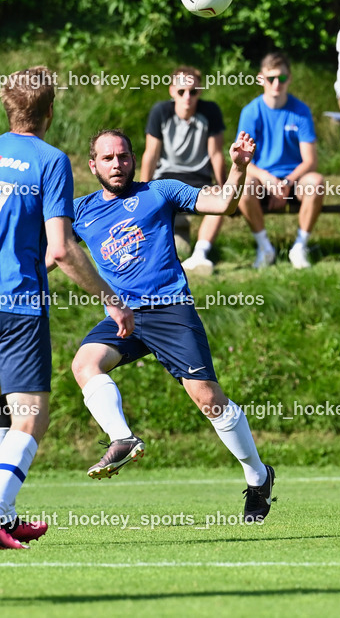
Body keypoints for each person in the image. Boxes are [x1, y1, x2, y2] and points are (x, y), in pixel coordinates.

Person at [0, 65, 134, 550]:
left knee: (1, 407)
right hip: (17, 302)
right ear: (48, 112)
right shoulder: (50, 160)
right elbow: (61, 249)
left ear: (8, 106)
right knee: (32, 415)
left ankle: (5, 511)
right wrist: (112, 299)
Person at [67, 128, 275, 522]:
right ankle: (122, 438)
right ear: (93, 165)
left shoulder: (160, 191)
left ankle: (258, 477)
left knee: (209, 401)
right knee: (84, 364)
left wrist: (238, 167)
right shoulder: (80, 210)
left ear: (134, 158)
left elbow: (225, 203)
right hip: (124, 314)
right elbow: (54, 254)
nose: (117, 165)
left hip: (170, 309)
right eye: (108, 159)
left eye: (124, 156)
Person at [235, 52, 324, 269]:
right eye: (271, 78)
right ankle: (265, 248)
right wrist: (267, 179)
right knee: (243, 187)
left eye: (282, 78)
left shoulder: (301, 111)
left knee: (317, 183)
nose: (276, 84)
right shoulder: (251, 112)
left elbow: (310, 161)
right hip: (262, 178)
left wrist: (286, 183)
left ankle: (299, 248)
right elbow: (242, 160)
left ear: (289, 79)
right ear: (260, 79)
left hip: (294, 179)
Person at [139, 66, 226, 276]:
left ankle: (200, 255)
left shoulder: (211, 111)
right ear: (172, 91)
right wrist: (140, 190)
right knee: (154, 210)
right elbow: (150, 154)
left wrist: (224, 188)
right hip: (165, 179)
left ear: (200, 92)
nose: (187, 97)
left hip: (199, 180)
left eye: (193, 91)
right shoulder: (160, 111)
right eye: (181, 91)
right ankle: (152, 255)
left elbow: (216, 154)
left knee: (220, 200)